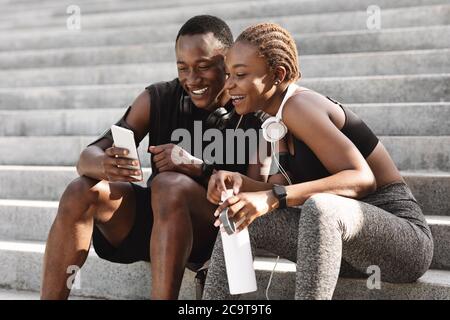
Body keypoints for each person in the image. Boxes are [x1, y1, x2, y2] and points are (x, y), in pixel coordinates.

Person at [40, 15, 272, 300]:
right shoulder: (158, 98)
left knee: (169, 183)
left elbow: (259, 192)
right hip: (160, 224)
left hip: (214, 229)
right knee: (81, 190)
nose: (191, 79)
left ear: (228, 62)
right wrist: (105, 164)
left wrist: (197, 167)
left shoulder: (252, 108)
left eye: (203, 67)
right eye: (182, 68)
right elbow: (86, 157)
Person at [202, 23, 434, 300]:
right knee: (240, 215)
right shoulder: (270, 122)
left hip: (401, 245)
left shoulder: (300, 106)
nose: (228, 85)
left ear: (278, 74)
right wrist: (240, 183)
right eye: (228, 74)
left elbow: (362, 178)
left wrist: (273, 197)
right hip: (342, 247)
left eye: (240, 74)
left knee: (321, 206)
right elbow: (277, 191)